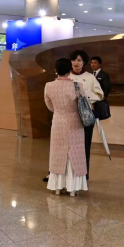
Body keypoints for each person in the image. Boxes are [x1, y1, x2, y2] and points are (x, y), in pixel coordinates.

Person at [45, 58, 88, 196]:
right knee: (75, 153)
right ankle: (73, 188)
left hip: (58, 122)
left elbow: (49, 106)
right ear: (70, 70)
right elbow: (83, 106)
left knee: (58, 152)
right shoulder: (78, 86)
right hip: (75, 122)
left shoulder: (49, 86)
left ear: (55, 70)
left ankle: (58, 186)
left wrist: (59, 111)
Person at [69, 50, 103, 180]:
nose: (76, 63)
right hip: (70, 115)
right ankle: (69, 174)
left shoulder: (90, 77)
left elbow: (100, 95)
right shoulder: (66, 76)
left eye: (79, 60)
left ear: (84, 62)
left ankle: (84, 174)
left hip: (86, 116)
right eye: (74, 60)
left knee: (85, 145)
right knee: (70, 146)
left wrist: (84, 94)